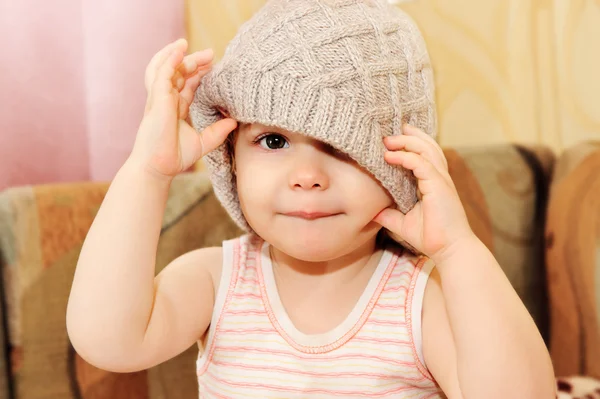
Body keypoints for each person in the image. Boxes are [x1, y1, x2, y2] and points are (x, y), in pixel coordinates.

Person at [66, 1, 557, 397]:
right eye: (273, 141)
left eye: (340, 146)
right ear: (232, 159)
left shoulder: (420, 300)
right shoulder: (219, 281)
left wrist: (459, 250)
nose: (306, 177)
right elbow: (106, 340)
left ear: (403, 166)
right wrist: (148, 172)